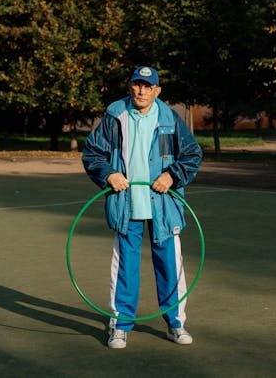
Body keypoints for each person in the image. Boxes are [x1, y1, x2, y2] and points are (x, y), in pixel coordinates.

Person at [82, 66, 203, 349]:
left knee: (170, 267)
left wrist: (171, 175)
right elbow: (93, 153)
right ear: (129, 87)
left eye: (148, 87)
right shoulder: (115, 115)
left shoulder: (170, 118)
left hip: (164, 205)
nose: (142, 91)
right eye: (137, 85)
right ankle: (120, 326)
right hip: (126, 204)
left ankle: (176, 324)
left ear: (157, 91)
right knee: (125, 268)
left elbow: (192, 154)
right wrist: (109, 174)